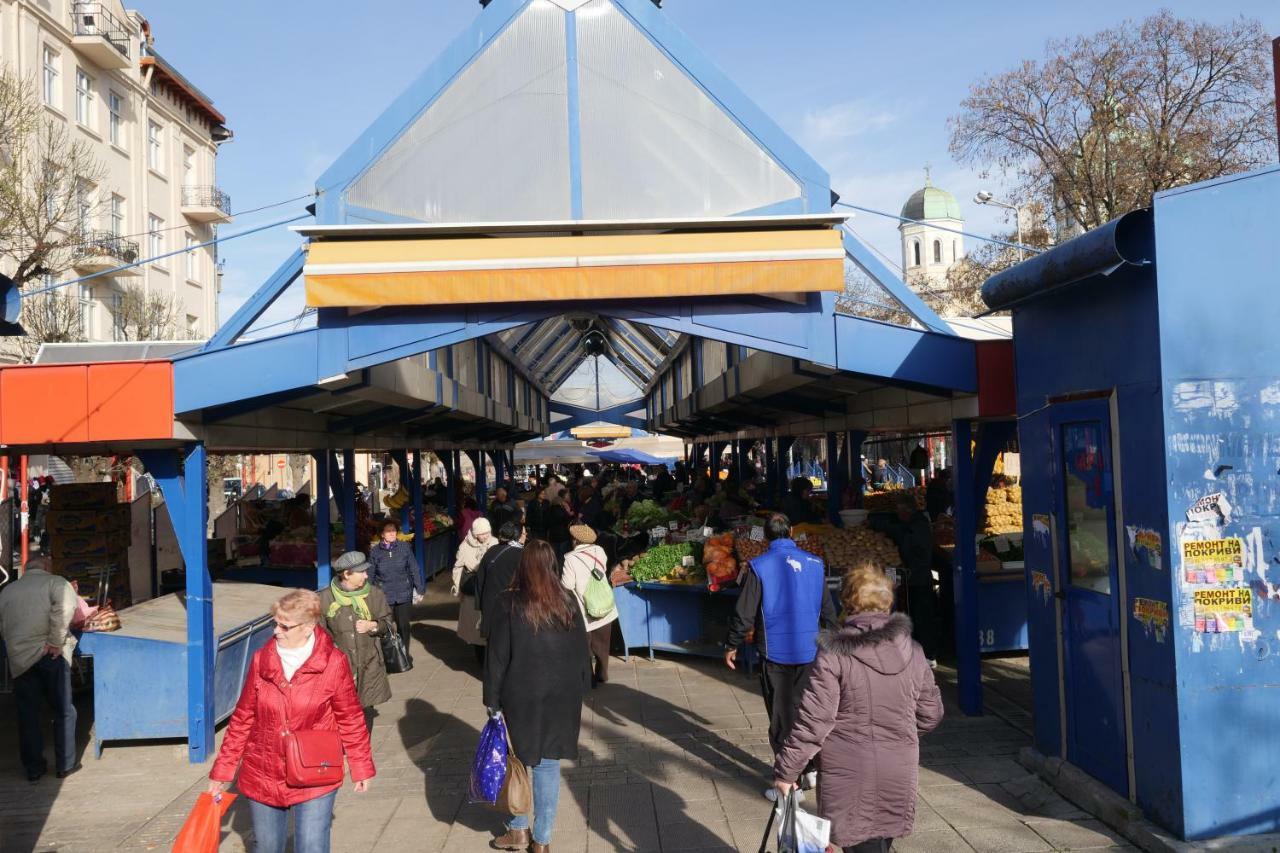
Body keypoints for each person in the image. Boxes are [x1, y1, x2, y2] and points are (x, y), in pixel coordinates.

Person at [773, 566, 943, 852]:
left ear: (847, 602)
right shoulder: (913, 650)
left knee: (860, 842)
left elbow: (815, 721)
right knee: (879, 841)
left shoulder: (833, 654)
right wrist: (898, 736)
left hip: (848, 770)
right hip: (897, 766)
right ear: (889, 602)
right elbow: (931, 713)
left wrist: (786, 771)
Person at [208, 589, 375, 853]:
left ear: (308, 627)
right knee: (267, 847)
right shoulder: (262, 659)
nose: (276, 631)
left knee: (312, 846)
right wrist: (223, 770)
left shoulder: (333, 663)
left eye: (284, 626)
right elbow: (243, 717)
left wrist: (360, 765)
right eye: (275, 622)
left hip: (315, 770)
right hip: (264, 771)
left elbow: (350, 717)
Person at [484, 541, 590, 853]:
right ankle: (541, 840)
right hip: (562, 696)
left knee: (517, 761)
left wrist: (492, 698)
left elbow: (497, 657)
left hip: (521, 695)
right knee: (547, 765)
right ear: (552, 565)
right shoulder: (567, 600)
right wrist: (583, 687)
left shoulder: (509, 603)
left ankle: (518, 829)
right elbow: (581, 650)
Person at [724, 513, 837, 797]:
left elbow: (745, 611)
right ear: (790, 532)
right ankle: (809, 769)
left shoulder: (759, 566)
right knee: (808, 711)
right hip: (811, 650)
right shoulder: (815, 563)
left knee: (781, 716)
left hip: (775, 652)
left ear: (767, 536)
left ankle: (791, 781)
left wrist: (732, 643)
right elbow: (828, 611)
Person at [0, 556, 80, 782]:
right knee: (64, 711)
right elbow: (66, 607)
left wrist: (15, 649)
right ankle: (64, 765)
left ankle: (34, 769)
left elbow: (2, 625)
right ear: (46, 567)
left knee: (28, 715)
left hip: (20, 661)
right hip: (50, 655)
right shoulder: (56, 582)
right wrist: (55, 641)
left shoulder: (7, 591)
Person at [319, 551, 393, 726]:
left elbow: (389, 623)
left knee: (365, 712)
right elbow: (319, 633)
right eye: (361, 572)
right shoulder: (324, 598)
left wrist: (373, 625)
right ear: (347, 574)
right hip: (340, 667)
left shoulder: (374, 594)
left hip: (370, 663)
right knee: (340, 713)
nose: (366, 575)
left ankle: (361, 751)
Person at [873, 493, 939, 664]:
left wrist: (908, 569)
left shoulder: (917, 527)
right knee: (916, 615)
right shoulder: (912, 524)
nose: (897, 514)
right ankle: (920, 651)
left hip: (919, 578)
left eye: (898, 510)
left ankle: (928, 654)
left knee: (922, 616)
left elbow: (913, 548)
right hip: (915, 577)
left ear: (906, 511)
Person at [561, 523, 617, 686]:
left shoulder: (571, 558)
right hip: (606, 606)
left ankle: (589, 679)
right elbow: (603, 568)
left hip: (586, 611)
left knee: (586, 647)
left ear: (575, 540)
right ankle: (603, 674)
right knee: (603, 645)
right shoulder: (599, 551)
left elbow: (567, 585)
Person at [368, 520, 424, 665]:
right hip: (384, 596)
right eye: (388, 531)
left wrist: (420, 588)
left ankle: (404, 656)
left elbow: (414, 569)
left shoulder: (404, 547)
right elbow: (370, 575)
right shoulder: (375, 552)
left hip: (403, 594)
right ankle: (389, 657)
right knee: (385, 627)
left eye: (394, 530)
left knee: (404, 627)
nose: (392, 533)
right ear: (382, 534)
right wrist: (371, 594)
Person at [451, 517, 495, 662]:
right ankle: (481, 658)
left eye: (487, 533)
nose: (485, 536)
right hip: (472, 591)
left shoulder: (494, 542)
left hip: (490, 590)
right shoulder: (465, 546)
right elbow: (458, 568)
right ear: (475, 534)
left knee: (491, 626)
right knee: (476, 628)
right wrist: (458, 588)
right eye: (482, 534)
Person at [477, 521, 527, 638]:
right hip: (510, 610)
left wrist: (481, 607)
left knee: (492, 646)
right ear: (517, 536)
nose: (525, 536)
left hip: (490, 607)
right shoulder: (522, 555)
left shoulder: (491, 551)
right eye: (524, 534)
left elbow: (480, 582)